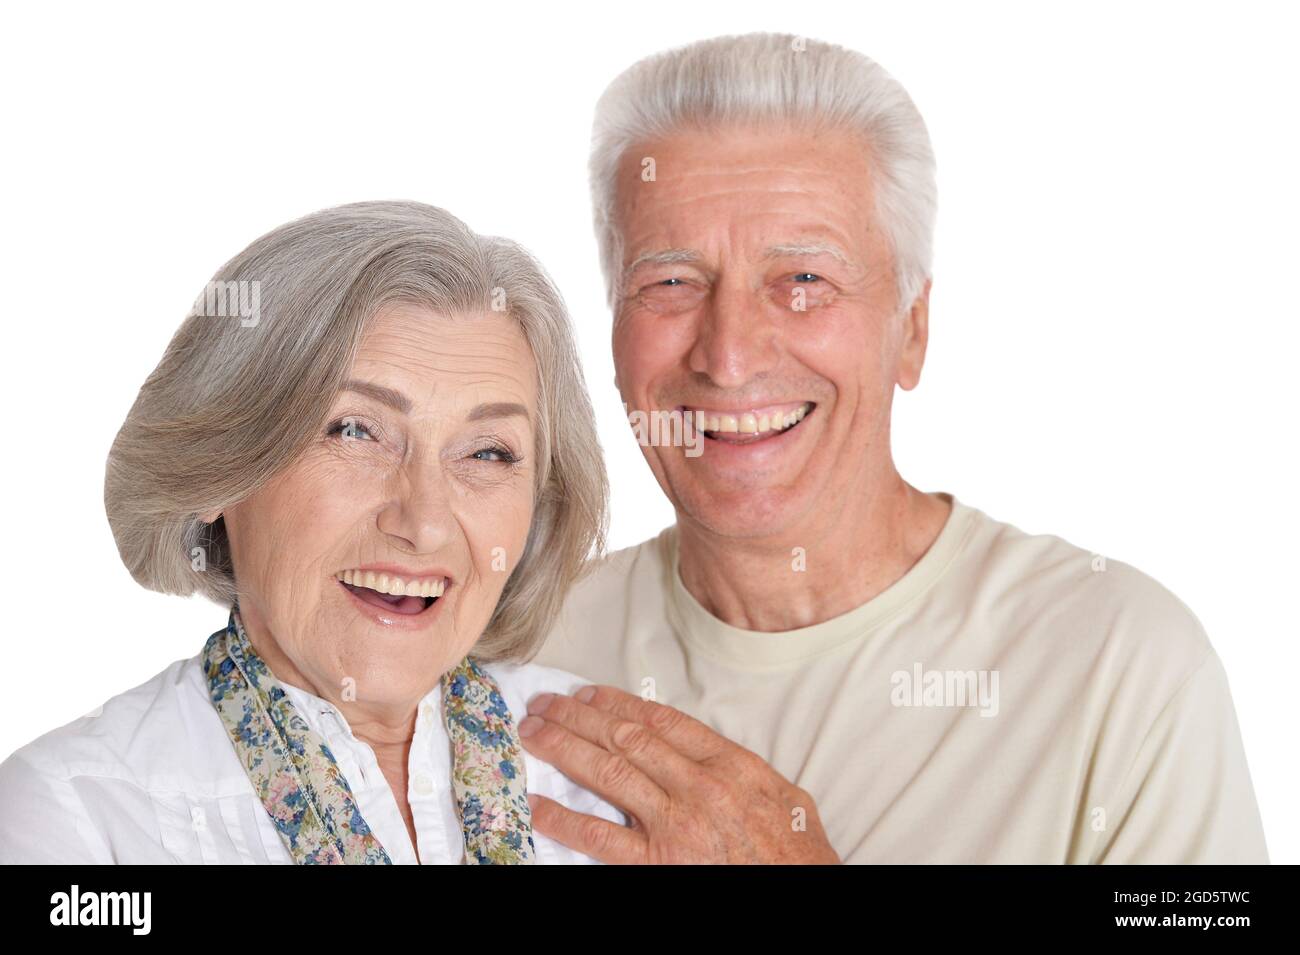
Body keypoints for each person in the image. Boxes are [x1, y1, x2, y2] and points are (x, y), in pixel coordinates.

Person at [518, 33, 1270, 864]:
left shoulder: (1126, 669)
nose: (729, 356)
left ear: (911, 331)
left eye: (804, 280)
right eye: (670, 282)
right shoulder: (512, 648)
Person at [0, 200, 622, 864]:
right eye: (354, 431)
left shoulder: (623, 780)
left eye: (488, 452)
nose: (425, 523)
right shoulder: (76, 815)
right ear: (220, 472)